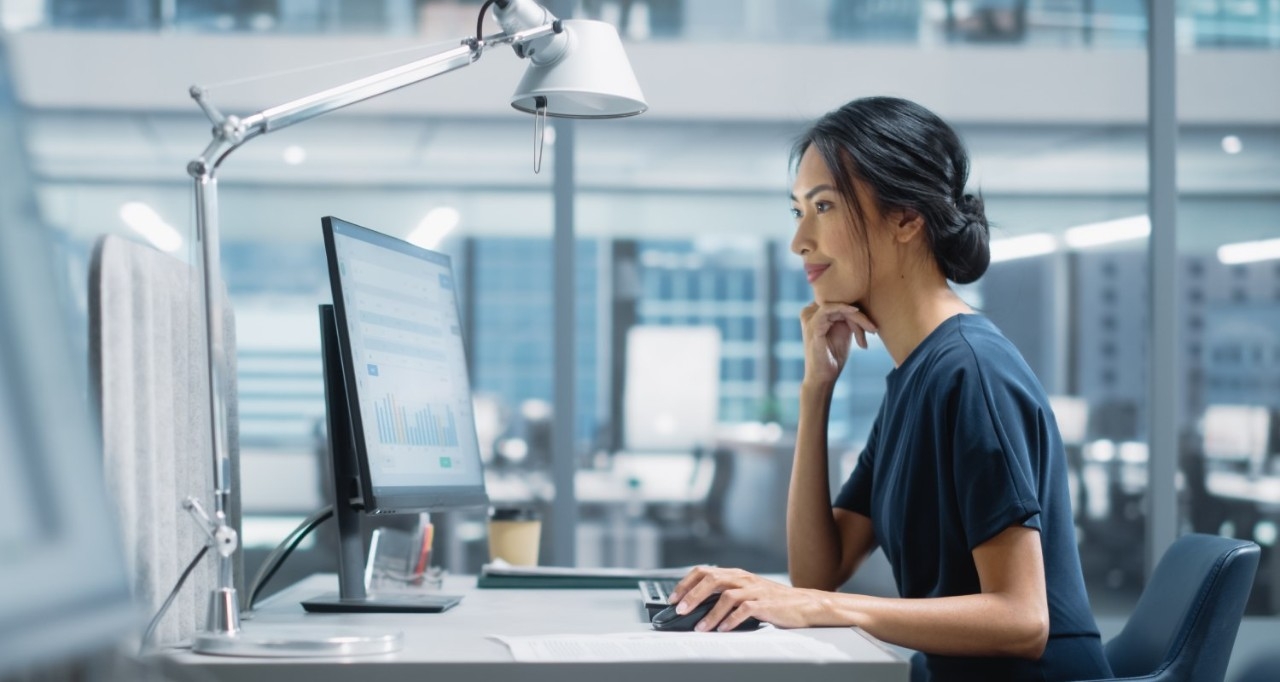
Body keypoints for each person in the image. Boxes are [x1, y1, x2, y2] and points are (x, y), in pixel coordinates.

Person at [667, 96, 1113, 682]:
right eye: (798, 210)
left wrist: (822, 609)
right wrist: (815, 390)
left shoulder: (971, 372)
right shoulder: (917, 377)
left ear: (906, 218)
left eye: (822, 206)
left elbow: (1022, 619)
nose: (799, 240)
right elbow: (818, 572)